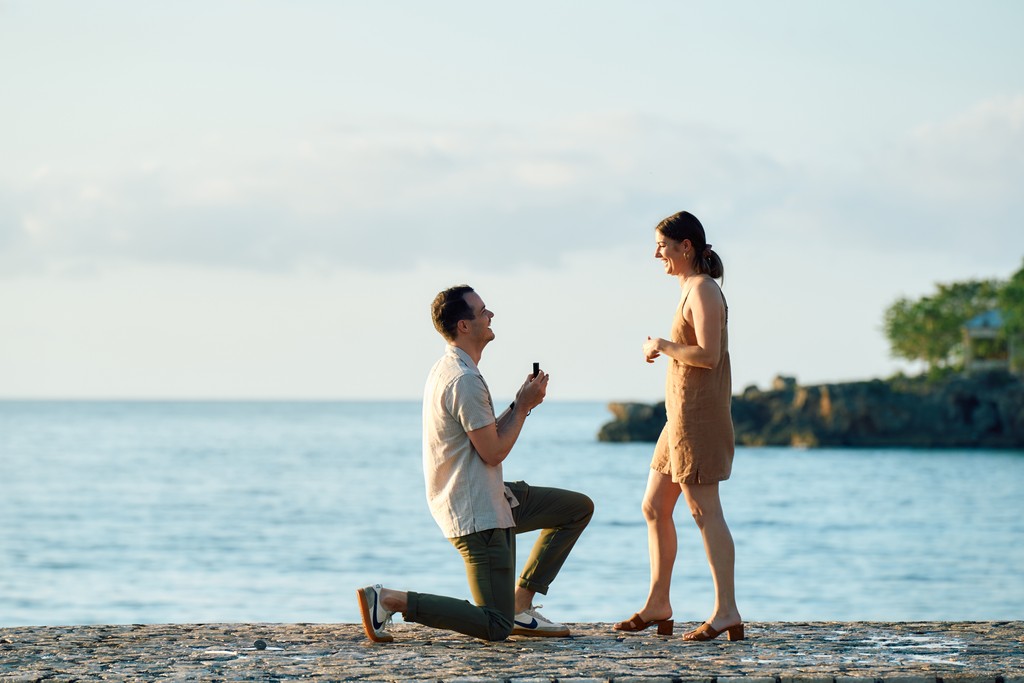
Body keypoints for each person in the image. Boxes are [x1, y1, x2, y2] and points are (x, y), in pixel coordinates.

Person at [356, 285, 594, 643]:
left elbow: (485, 438)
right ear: (464, 325)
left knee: (576, 509)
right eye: (483, 311)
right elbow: (494, 451)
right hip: (477, 513)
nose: (490, 315)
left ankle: (520, 605)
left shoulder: (452, 368)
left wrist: (518, 403)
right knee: (495, 625)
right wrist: (525, 407)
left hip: (492, 496)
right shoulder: (463, 379)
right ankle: (389, 599)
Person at [613, 211, 744, 641]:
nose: (657, 254)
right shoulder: (689, 288)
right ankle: (658, 603)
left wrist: (663, 345)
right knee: (654, 506)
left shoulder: (703, 289)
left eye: (662, 246)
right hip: (679, 420)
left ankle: (726, 611)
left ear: (685, 246)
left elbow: (708, 355)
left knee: (705, 511)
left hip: (698, 419)